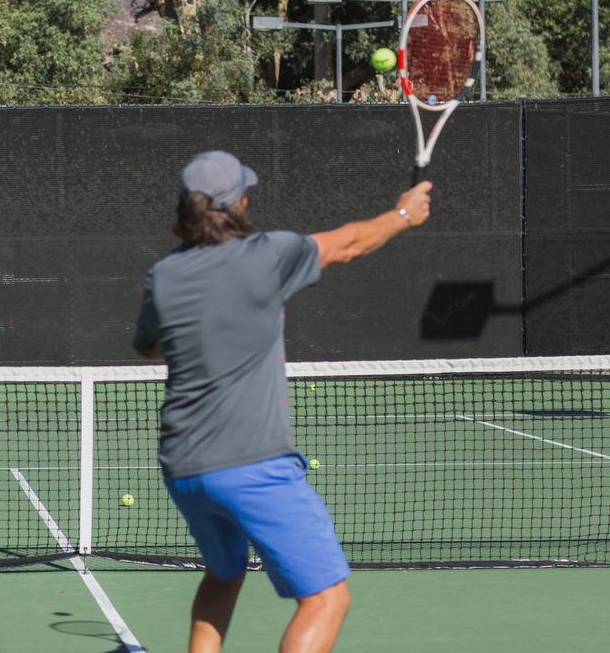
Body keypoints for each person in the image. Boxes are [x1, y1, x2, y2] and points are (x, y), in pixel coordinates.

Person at [132, 151, 432, 653]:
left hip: (184, 470)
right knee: (327, 599)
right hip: (252, 466)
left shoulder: (163, 275)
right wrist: (404, 213)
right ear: (241, 203)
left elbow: (148, 346)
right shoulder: (269, 254)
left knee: (223, 575)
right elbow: (350, 243)